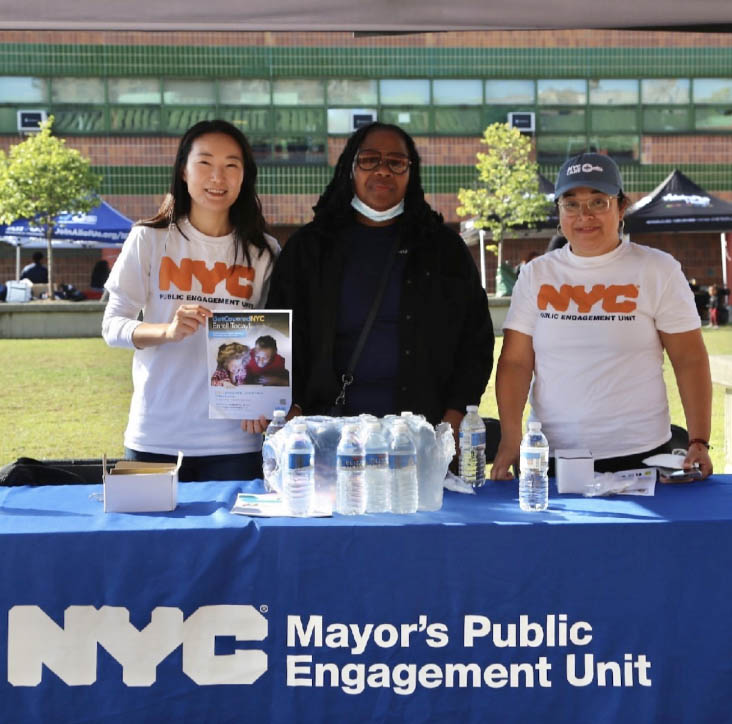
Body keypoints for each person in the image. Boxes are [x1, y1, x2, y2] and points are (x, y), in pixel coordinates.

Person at [266, 121, 494, 444]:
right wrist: (290, 408)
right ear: (350, 167)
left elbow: (477, 342)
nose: (383, 171)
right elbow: (277, 336)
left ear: (410, 173)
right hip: (324, 437)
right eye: (370, 159)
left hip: (419, 440)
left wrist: (454, 417)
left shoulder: (443, 250)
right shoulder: (309, 248)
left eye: (396, 162)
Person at [491, 152, 713, 480]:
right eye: (571, 204)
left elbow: (689, 359)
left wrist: (698, 440)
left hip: (643, 455)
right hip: (555, 457)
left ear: (622, 208)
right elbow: (516, 363)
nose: (585, 216)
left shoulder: (658, 269)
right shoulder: (536, 275)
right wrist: (511, 438)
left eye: (599, 202)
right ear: (559, 211)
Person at [102, 119, 279, 482]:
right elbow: (112, 326)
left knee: (235, 540)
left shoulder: (265, 252)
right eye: (205, 163)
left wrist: (262, 402)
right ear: (183, 170)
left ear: (244, 176)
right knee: (148, 538)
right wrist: (166, 331)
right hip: (156, 435)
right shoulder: (149, 239)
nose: (219, 177)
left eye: (232, 165)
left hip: (236, 443)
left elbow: (271, 341)